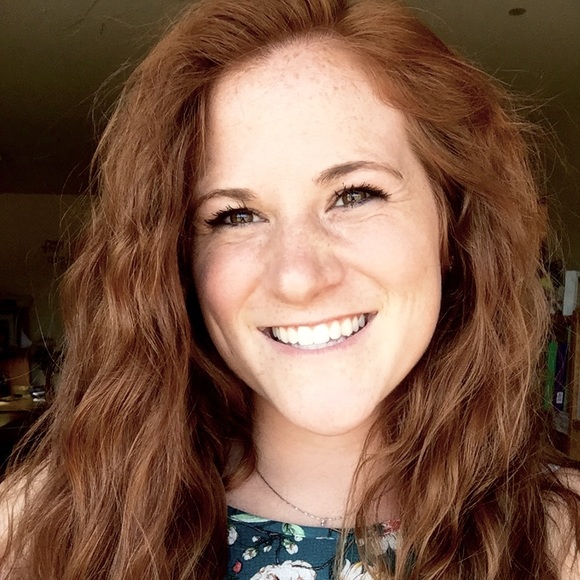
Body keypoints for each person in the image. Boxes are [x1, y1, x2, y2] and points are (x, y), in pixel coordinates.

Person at [1, 0, 579, 578]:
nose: (298, 277)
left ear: (453, 225)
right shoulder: (41, 533)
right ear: (176, 262)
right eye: (235, 216)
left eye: (355, 195)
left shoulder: (562, 540)